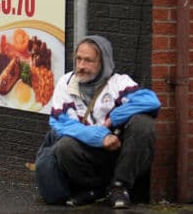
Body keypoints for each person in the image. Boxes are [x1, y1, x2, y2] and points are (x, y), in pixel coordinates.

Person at [34, 35, 160, 209]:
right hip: (87, 152)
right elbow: (60, 123)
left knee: (143, 124)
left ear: (103, 62)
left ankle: (119, 187)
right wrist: (100, 137)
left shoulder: (118, 82)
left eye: (88, 61)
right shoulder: (66, 83)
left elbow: (151, 101)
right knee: (65, 146)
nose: (81, 66)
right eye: (78, 59)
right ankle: (95, 190)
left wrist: (115, 117)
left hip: (118, 152)